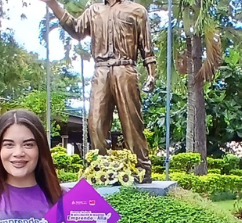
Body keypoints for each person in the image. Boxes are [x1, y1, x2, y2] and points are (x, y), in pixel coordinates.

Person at [42, 0, 157, 183]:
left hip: (125, 68)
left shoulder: (137, 11)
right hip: (101, 70)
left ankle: (141, 168)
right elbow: (76, 30)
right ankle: (101, 169)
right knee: (95, 122)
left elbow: (147, 47)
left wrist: (152, 74)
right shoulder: (94, 10)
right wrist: (53, 4)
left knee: (131, 123)